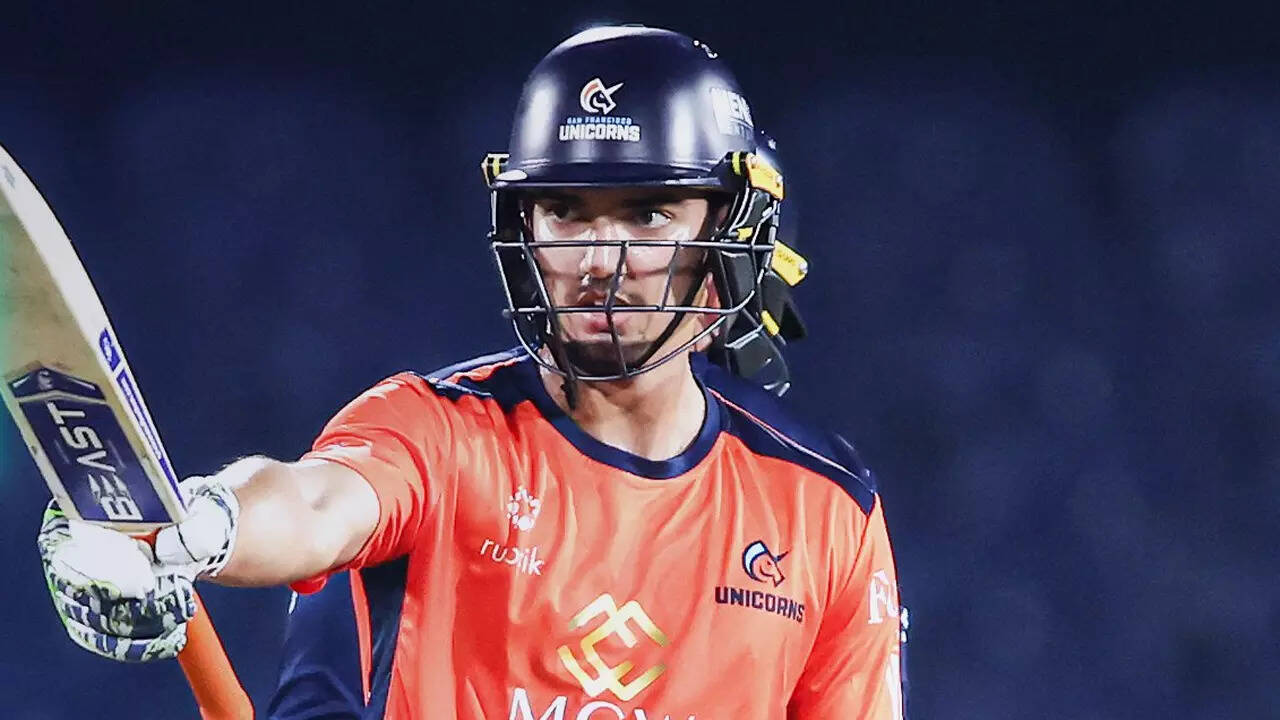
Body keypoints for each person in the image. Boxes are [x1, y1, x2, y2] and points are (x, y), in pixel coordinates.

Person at [37, 25, 907, 720]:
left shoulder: (825, 508)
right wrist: (198, 525)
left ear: (732, 233)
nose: (598, 260)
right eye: (564, 210)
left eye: (648, 213)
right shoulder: (437, 432)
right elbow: (312, 505)